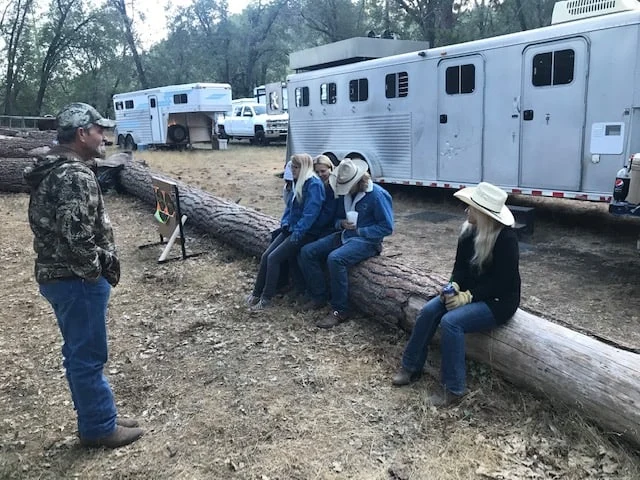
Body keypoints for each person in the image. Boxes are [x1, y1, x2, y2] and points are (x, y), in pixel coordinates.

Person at [24, 103, 144, 448]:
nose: (104, 136)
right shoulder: (73, 175)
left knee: (79, 352)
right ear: (81, 134)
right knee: (87, 355)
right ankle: (99, 427)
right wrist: (95, 274)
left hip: (60, 277)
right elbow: (76, 237)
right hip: (75, 280)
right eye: (98, 129)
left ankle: (98, 413)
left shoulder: (56, 168)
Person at [392, 182, 521, 407]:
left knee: (451, 322)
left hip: (499, 301)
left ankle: (453, 388)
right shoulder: (468, 231)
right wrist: (452, 287)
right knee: (429, 310)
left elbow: (501, 283)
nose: (466, 210)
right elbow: (459, 267)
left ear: (483, 214)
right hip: (468, 291)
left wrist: (468, 297)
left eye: (471, 207)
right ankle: (410, 366)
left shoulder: (506, 239)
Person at [299, 158, 394, 328]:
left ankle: (340, 309)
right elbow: (337, 218)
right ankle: (319, 296)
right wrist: (341, 223)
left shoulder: (377, 195)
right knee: (307, 251)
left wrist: (361, 231)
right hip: (345, 234)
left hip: (367, 241)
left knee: (335, 259)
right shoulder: (347, 194)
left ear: (358, 181)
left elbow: (386, 227)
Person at [247, 153, 325, 309]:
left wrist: (297, 234)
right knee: (266, 256)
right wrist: (285, 223)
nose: (293, 170)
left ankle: (266, 299)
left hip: (306, 233)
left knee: (274, 258)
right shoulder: (299, 181)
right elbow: (290, 207)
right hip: (291, 228)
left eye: (296, 167)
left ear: (304, 167)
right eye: (292, 167)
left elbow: (310, 214)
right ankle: (256, 293)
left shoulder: (314, 185)